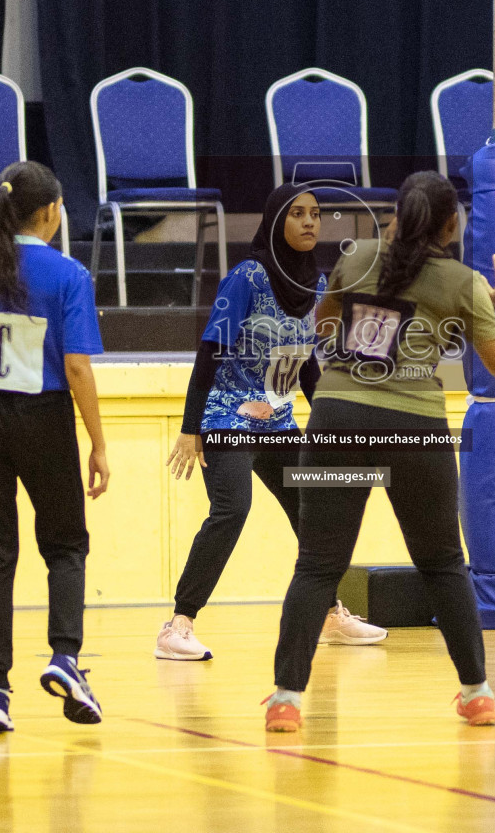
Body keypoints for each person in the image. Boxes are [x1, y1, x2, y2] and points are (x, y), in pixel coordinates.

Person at [262, 171, 495, 733]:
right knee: (443, 564)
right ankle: (477, 693)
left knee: (316, 565)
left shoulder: (355, 260)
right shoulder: (461, 281)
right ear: (451, 224)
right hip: (416, 431)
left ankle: (286, 699)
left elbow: (323, 324)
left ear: (399, 217)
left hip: (338, 421)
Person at [160, 184, 386, 663]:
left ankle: (328, 612)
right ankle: (178, 624)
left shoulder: (318, 285)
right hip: (227, 416)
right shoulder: (247, 276)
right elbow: (209, 352)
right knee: (231, 510)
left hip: (280, 420)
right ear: (276, 220)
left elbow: (304, 365)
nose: (309, 222)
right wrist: (190, 426)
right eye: (298, 213)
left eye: (316, 214)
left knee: (317, 509)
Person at [0, 161, 109, 732]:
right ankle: (65, 658)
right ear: (51, 212)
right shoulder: (68, 274)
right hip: (42, 415)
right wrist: (98, 445)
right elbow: (78, 368)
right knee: (64, 546)